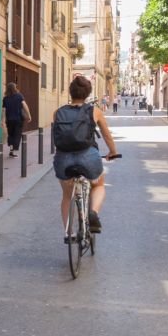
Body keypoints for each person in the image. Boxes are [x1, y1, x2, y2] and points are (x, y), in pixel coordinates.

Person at [53, 74, 120, 234]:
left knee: (67, 196)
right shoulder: (94, 111)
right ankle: (93, 212)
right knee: (98, 185)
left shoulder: (58, 112)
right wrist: (112, 152)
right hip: (88, 156)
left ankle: (69, 233)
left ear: (70, 92)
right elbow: (106, 135)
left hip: (63, 159)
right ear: (88, 93)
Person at [1, 82, 31, 158]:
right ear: (15, 88)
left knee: (11, 134)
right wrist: (29, 115)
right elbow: (25, 106)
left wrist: (2, 121)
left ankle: (11, 149)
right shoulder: (19, 96)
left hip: (9, 120)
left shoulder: (5, 98)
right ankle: (14, 150)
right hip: (18, 120)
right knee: (17, 134)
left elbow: (3, 110)